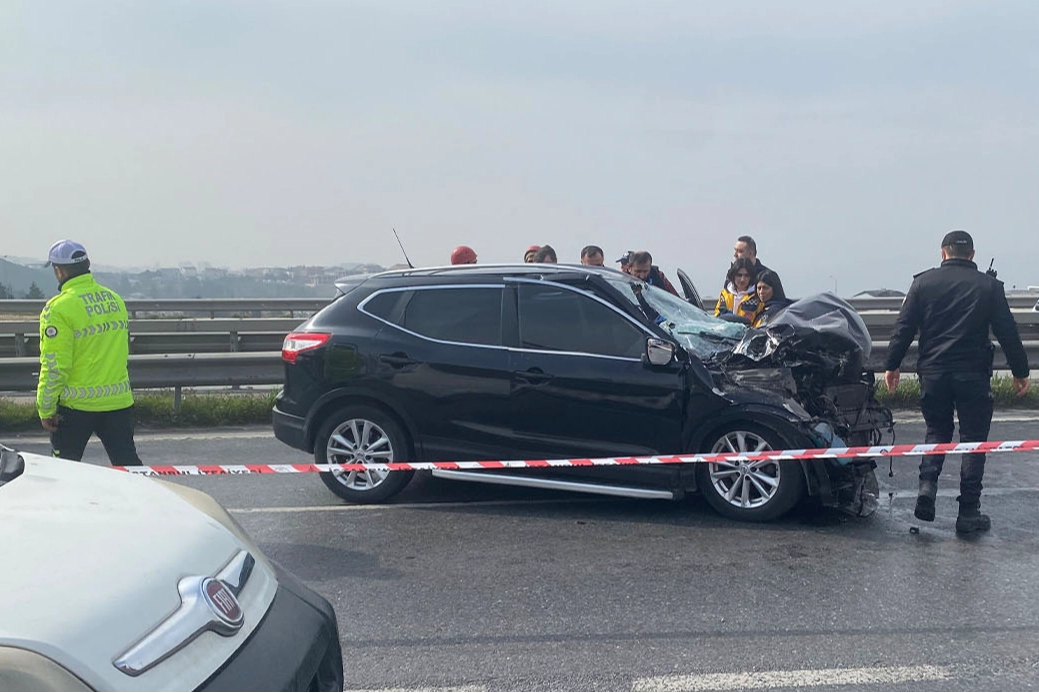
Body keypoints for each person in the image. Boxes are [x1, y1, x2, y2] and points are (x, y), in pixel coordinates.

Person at [885, 230, 1030, 534]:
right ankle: (968, 513)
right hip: (973, 374)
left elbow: (903, 328)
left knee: (936, 430)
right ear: (972, 255)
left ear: (943, 253)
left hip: (933, 373)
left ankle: (927, 488)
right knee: (974, 440)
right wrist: (1020, 370)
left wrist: (892, 365)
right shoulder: (989, 286)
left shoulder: (922, 283)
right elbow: (1008, 331)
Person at [37, 240, 142, 466]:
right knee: (130, 470)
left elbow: (56, 366)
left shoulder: (58, 308)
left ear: (58, 270)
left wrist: (45, 407)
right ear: (87, 265)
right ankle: (151, 502)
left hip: (76, 409)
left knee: (64, 472)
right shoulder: (115, 300)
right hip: (118, 403)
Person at [714, 258, 758, 322]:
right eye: (739, 275)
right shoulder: (725, 294)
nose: (742, 279)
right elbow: (717, 315)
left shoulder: (757, 295)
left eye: (746, 275)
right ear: (733, 275)